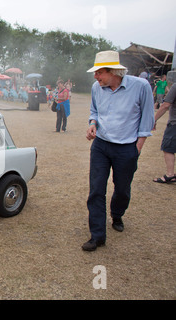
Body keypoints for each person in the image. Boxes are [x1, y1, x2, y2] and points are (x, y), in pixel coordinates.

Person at [83, 50, 154, 251]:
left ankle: (117, 214)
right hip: (101, 146)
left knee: (122, 189)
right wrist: (92, 123)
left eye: (99, 73)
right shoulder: (96, 87)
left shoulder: (141, 86)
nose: (96, 77)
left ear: (114, 71)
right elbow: (94, 111)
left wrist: (136, 149)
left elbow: (147, 120)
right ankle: (97, 236)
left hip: (127, 148)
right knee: (96, 190)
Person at [152, 83, 176, 183]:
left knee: (168, 148)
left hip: (174, 124)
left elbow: (165, 105)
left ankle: (170, 174)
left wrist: (154, 120)